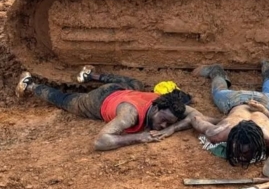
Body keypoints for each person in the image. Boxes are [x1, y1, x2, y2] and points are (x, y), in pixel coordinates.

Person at [15, 66, 196, 151]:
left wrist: (173, 128)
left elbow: (196, 116)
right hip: (99, 100)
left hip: (121, 90)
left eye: (167, 123)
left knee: (135, 83)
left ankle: (89, 75)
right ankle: (30, 85)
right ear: (156, 109)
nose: (163, 125)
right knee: (68, 100)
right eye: (163, 121)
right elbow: (100, 141)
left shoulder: (167, 102)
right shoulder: (128, 116)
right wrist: (139, 137)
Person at [189, 60, 269, 167]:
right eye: (239, 150)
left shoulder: (221, 132)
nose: (242, 156)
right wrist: (265, 112)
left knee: (220, 91)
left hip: (238, 101)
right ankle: (268, 67)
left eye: (246, 152)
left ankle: (216, 70)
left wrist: (223, 121)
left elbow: (196, 119)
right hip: (259, 103)